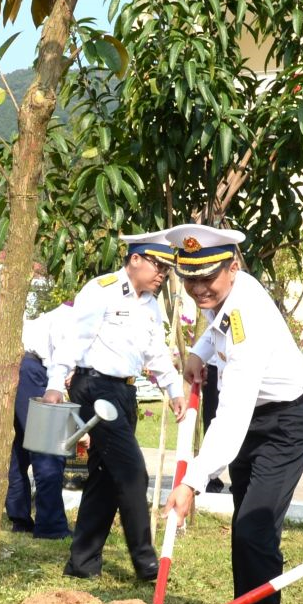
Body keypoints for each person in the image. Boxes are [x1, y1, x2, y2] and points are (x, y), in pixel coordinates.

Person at [162, 224, 303, 604]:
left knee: (255, 529)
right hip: (253, 424)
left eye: (207, 278)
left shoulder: (248, 315)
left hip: (283, 426)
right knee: (245, 532)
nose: (198, 289)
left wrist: (192, 482)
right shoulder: (228, 296)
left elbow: (232, 414)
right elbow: (216, 329)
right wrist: (199, 352)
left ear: (232, 267)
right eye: (189, 279)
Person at [45, 234, 186, 582]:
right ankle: (146, 561)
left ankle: (82, 562)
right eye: (158, 266)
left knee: (106, 477)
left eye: (167, 270)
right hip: (95, 388)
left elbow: (155, 351)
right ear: (135, 259)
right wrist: (54, 384)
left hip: (125, 391)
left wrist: (173, 388)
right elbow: (73, 340)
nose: (162, 275)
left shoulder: (150, 303)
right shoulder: (102, 290)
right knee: (133, 471)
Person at [9, 302, 72, 539]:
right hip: (33, 370)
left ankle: (20, 517)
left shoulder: (59, 313)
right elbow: (62, 358)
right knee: (48, 449)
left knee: (20, 448)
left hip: (21, 366)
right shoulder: (73, 317)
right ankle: (50, 526)